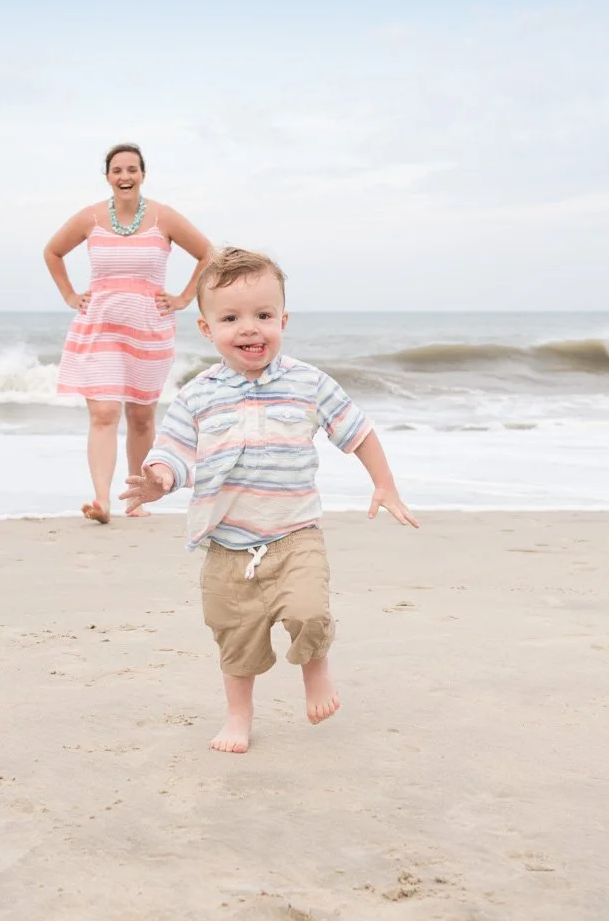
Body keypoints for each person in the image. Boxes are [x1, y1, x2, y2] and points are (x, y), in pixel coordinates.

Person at [121, 247, 419, 754]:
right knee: (235, 638)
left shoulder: (307, 383)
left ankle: (315, 670)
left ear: (283, 318)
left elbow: (356, 428)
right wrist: (158, 480)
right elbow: (173, 450)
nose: (249, 329)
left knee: (309, 612)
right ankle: (239, 715)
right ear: (205, 327)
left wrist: (384, 483)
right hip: (227, 545)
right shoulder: (198, 395)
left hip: (294, 533)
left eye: (263, 316)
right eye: (231, 318)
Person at [45, 143, 215, 524]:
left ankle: (135, 500)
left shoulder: (164, 218)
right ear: (107, 176)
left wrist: (185, 297)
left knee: (140, 417)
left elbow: (208, 253)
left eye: (132, 170)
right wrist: (71, 295)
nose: (125, 177)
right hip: (100, 326)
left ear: (143, 174)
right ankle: (102, 500)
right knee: (104, 411)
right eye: (117, 170)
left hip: (148, 329)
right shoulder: (89, 217)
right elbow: (52, 252)